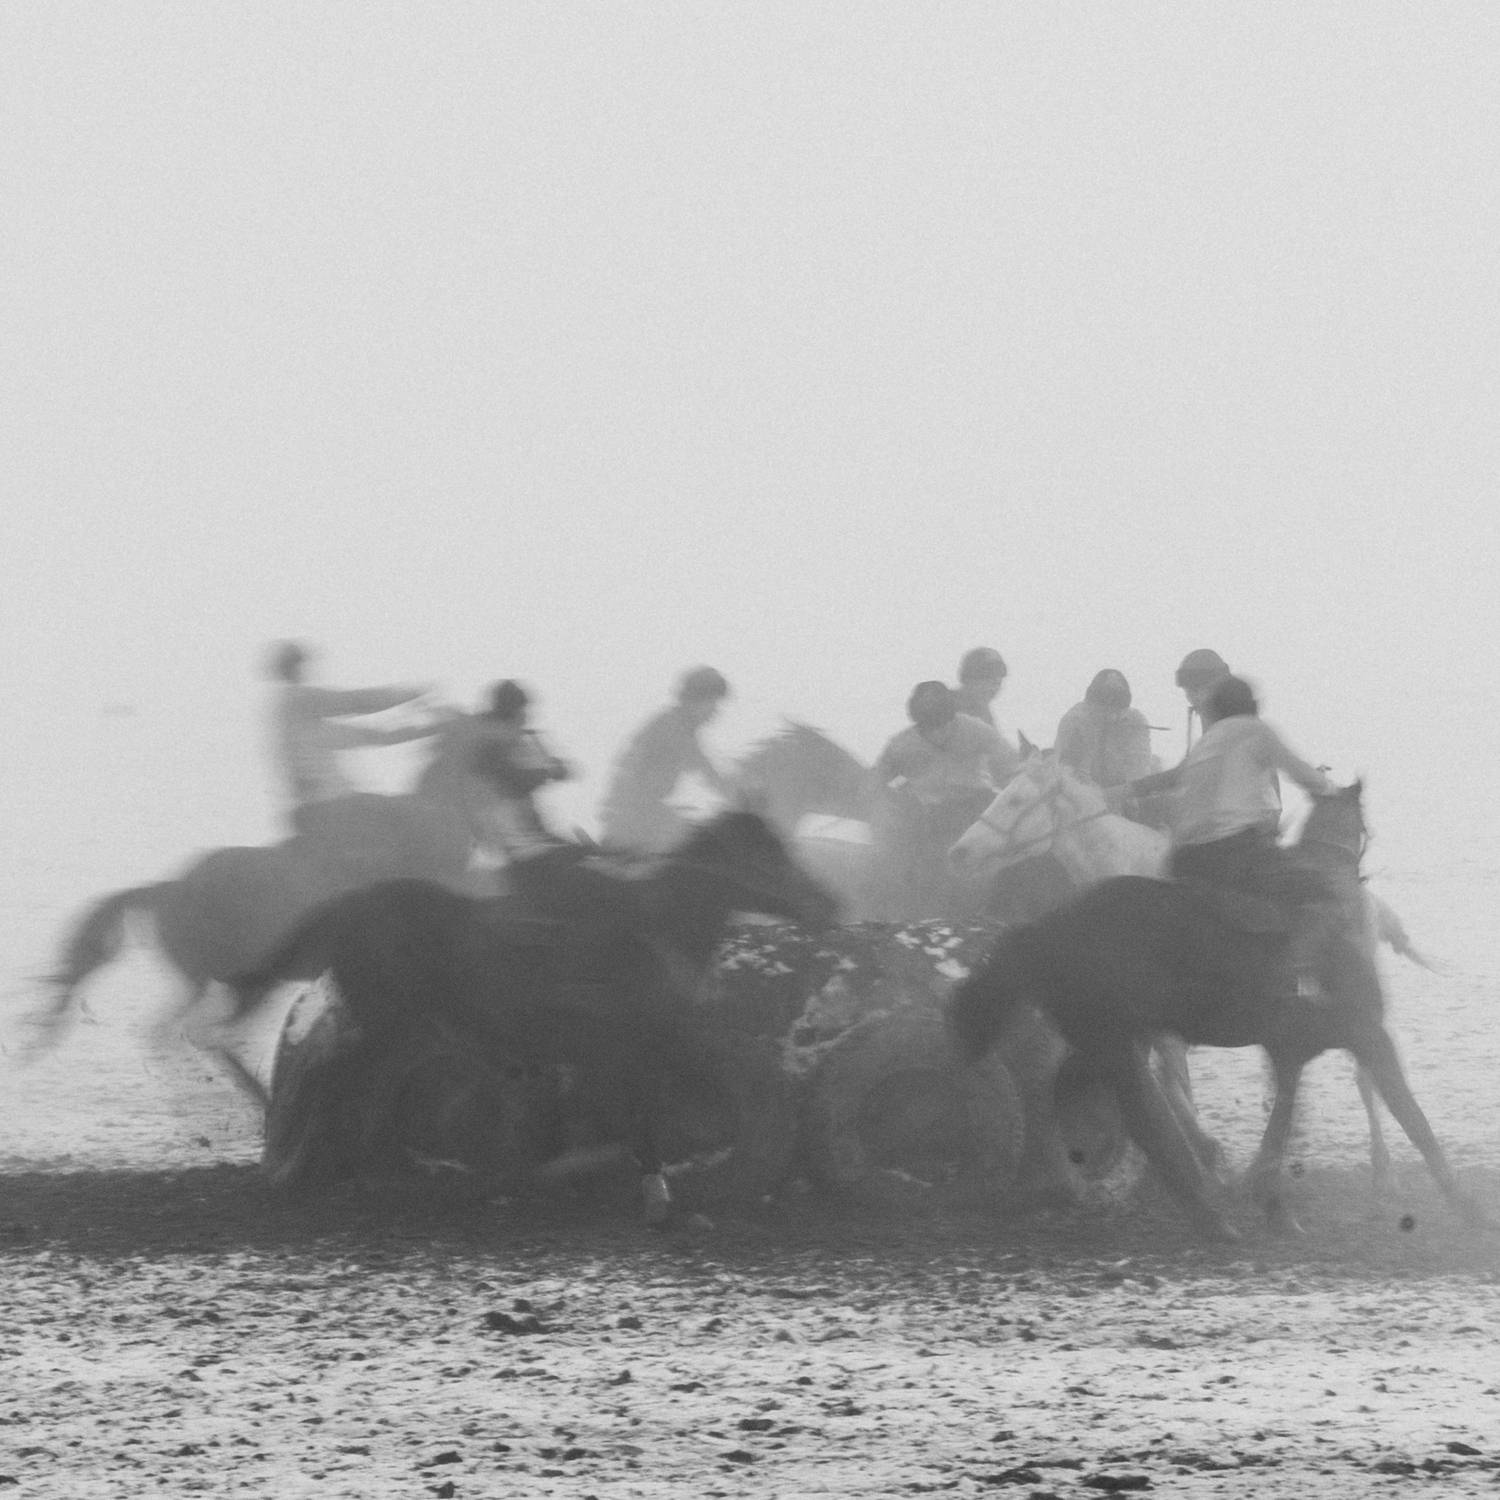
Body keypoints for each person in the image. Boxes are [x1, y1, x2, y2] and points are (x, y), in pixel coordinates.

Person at [1119, 674, 1335, 895]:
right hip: (1232, 850)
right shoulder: (1256, 729)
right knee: (1308, 890)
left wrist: (1125, 791)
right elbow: (1303, 774)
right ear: (1252, 704)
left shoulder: (1206, 741)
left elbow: (1176, 779)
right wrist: (1330, 789)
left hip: (1183, 857)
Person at [870, 681, 1021, 917]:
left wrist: (1012, 789)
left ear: (952, 715)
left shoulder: (976, 730)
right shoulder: (901, 745)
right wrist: (898, 797)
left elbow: (1009, 763)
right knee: (917, 868)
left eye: (943, 725)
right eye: (929, 728)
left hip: (975, 808)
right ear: (917, 721)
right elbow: (876, 782)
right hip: (927, 818)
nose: (938, 734)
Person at [266, 641, 444, 814]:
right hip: (334, 804)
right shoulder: (300, 699)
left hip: (309, 808)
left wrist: (428, 729)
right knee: (414, 815)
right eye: (302, 665)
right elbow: (357, 703)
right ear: (297, 667)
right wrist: (413, 695)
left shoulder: (292, 719)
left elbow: (374, 735)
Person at [598, 667, 733, 854]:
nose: (715, 711)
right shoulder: (673, 728)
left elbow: (706, 770)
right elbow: (706, 770)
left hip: (641, 811)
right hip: (637, 816)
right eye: (712, 702)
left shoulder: (678, 726)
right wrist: (737, 794)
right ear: (695, 700)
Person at [1055, 669, 1154, 786]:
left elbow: (1139, 770)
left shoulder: (1136, 722)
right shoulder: (1075, 722)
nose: (1112, 716)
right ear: (1090, 704)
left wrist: (1132, 790)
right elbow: (1069, 774)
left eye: (1118, 708)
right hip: (1084, 789)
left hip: (1123, 787)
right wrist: (1093, 794)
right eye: (1104, 708)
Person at [954, 646, 1008, 727]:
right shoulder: (945, 709)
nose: (992, 688)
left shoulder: (984, 715)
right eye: (986, 679)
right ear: (968, 678)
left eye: (997, 683)